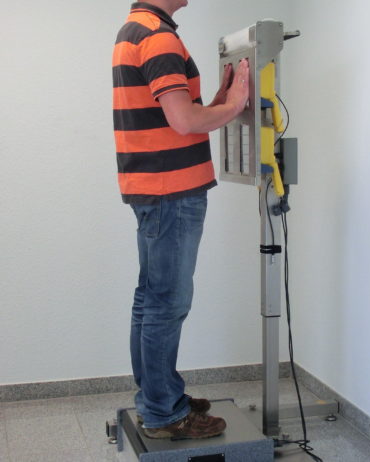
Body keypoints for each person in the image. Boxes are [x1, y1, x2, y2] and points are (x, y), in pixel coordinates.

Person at [112, 0, 249, 439]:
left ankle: (159, 395)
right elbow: (186, 121)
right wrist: (237, 104)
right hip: (170, 190)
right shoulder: (158, 37)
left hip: (154, 187)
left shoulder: (135, 29)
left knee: (150, 300)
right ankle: (163, 412)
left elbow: (176, 117)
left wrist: (218, 102)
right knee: (166, 304)